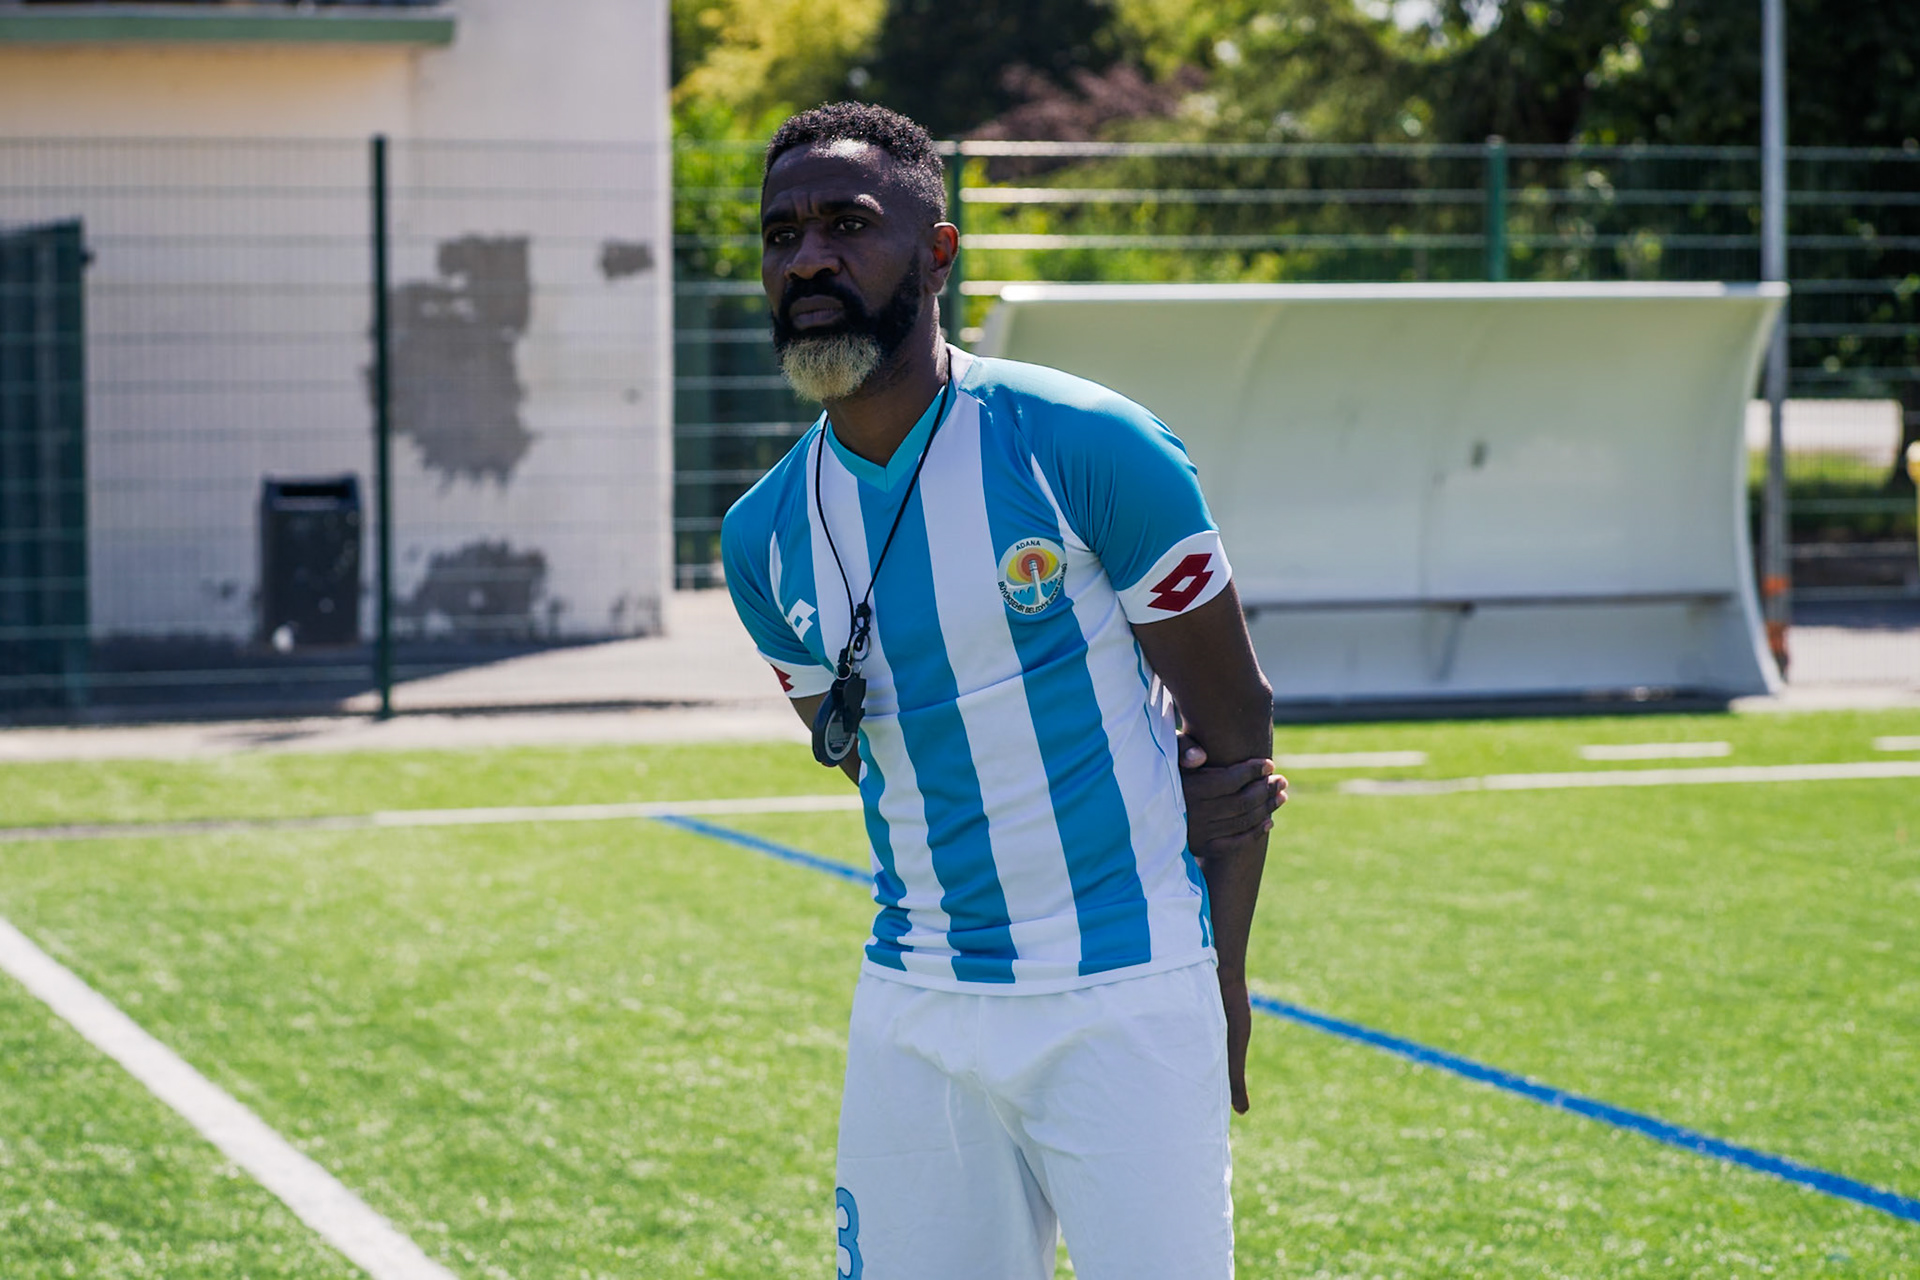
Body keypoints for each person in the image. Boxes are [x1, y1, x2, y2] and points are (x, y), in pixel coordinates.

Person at [720, 102, 1283, 1280]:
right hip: (913, 1006)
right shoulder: (761, 536)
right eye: (781, 235)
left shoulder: (1086, 443)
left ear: (937, 253)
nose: (808, 259)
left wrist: (1221, 981)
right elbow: (877, 762)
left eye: (846, 225)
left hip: (1124, 996)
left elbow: (1236, 737)